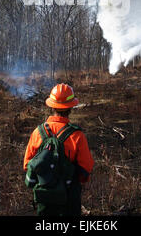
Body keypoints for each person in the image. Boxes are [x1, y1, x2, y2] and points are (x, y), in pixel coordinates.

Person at [23, 83, 94, 216]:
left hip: (44, 197)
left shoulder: (38, 132)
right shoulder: (77, 135)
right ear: (71, 107)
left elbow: (27, 165)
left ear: (51, 106)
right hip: (69, 198)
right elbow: (85, 170)